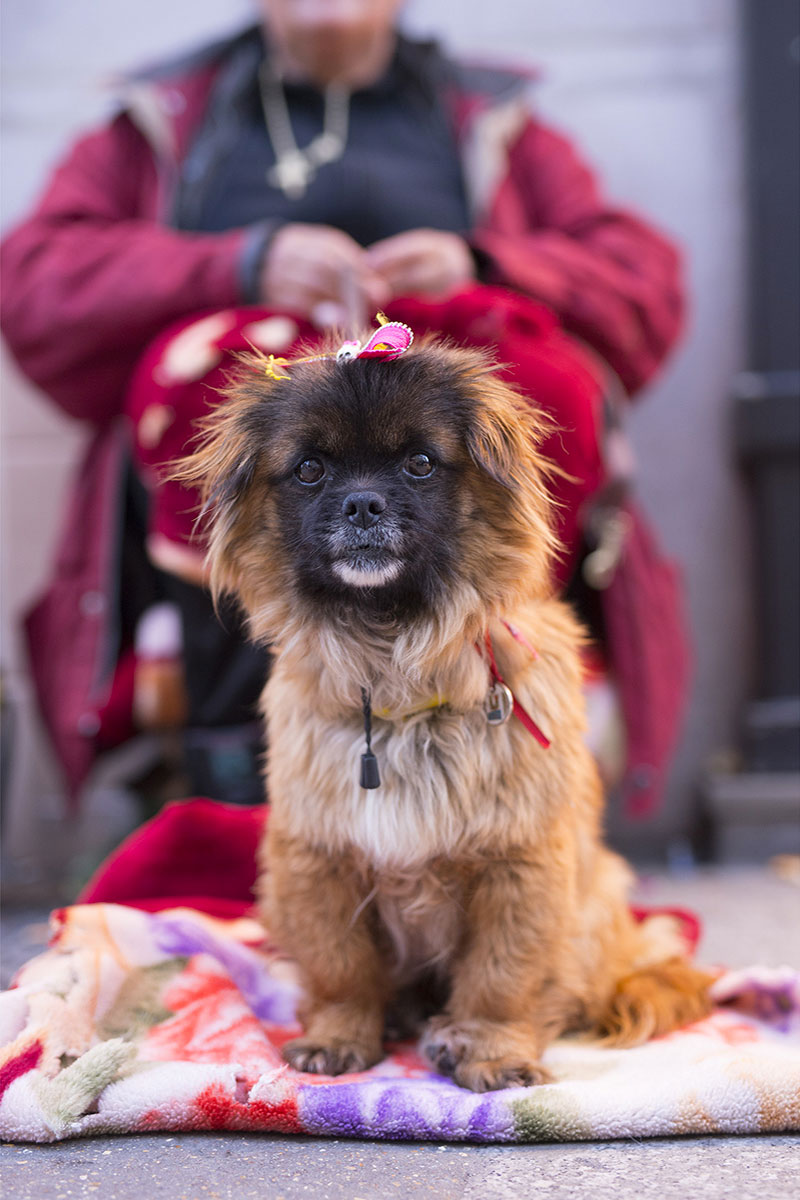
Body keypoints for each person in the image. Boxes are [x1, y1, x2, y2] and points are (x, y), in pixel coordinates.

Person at [0, 0, 688, 815]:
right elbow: (36, 281)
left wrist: (481, 263)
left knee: (545, 386)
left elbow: (643, 283)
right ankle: (235, 771)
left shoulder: (492, 115)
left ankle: (498, 719)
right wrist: (239, 265)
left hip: (444, 412)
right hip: (256, 415)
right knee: (204, 384)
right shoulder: (162, 115)